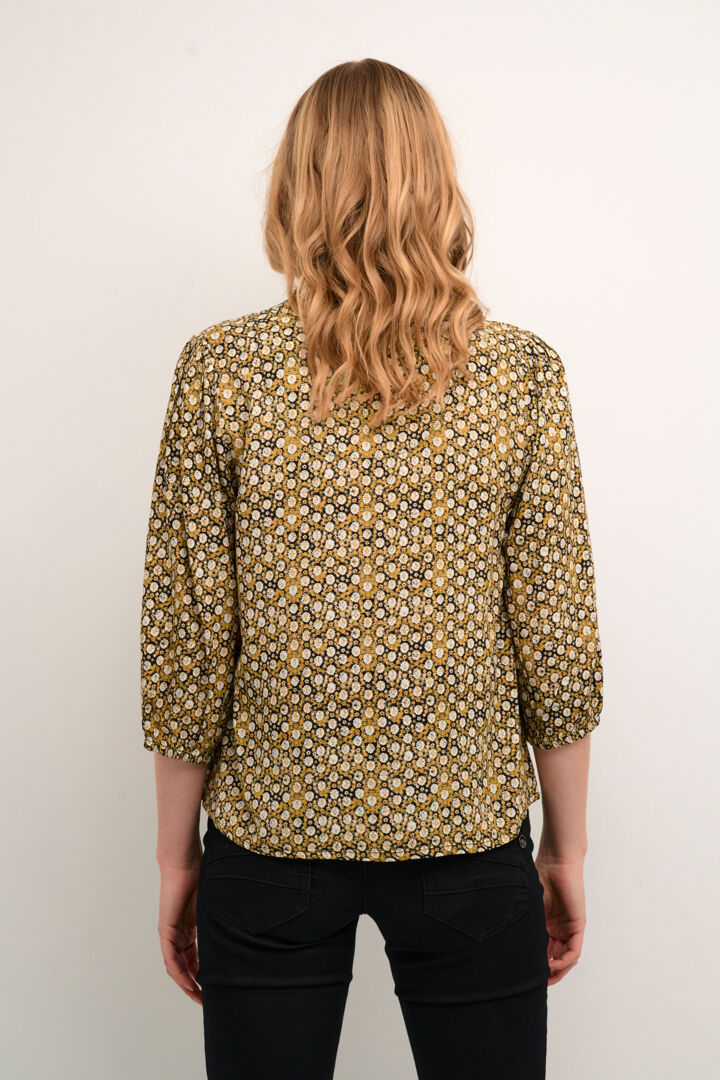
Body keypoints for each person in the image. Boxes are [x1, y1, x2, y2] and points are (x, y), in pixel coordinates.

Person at [140, 58, 603, 1080]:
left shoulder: (220, 371)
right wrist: (565, 849)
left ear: (296, 185)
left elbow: (187, 643)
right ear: (437, 182)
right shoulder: (520, 373)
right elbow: (558, 638)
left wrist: (177, 860)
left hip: (269, 842)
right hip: (469, 837)